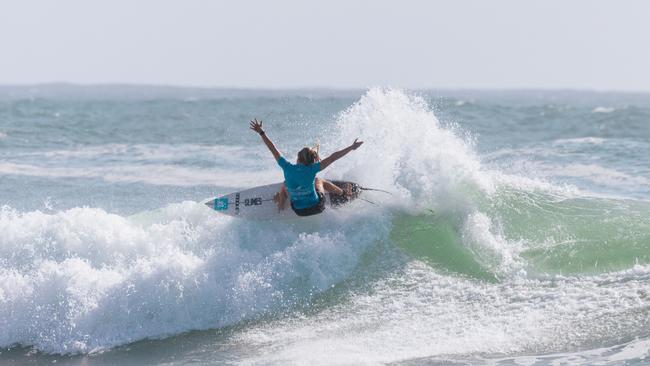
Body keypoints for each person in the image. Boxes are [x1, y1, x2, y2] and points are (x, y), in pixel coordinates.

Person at [249, 118, 363, 216]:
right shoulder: (313, 169)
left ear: (298, 158)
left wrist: (261, 132)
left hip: (298, 210)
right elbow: (334, 157)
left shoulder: (287, 167)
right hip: (316, 207)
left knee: (285, 184)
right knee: (319, 181)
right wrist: (351, 147)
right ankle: (343, 194)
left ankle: (281, 202)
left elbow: (272, 148)